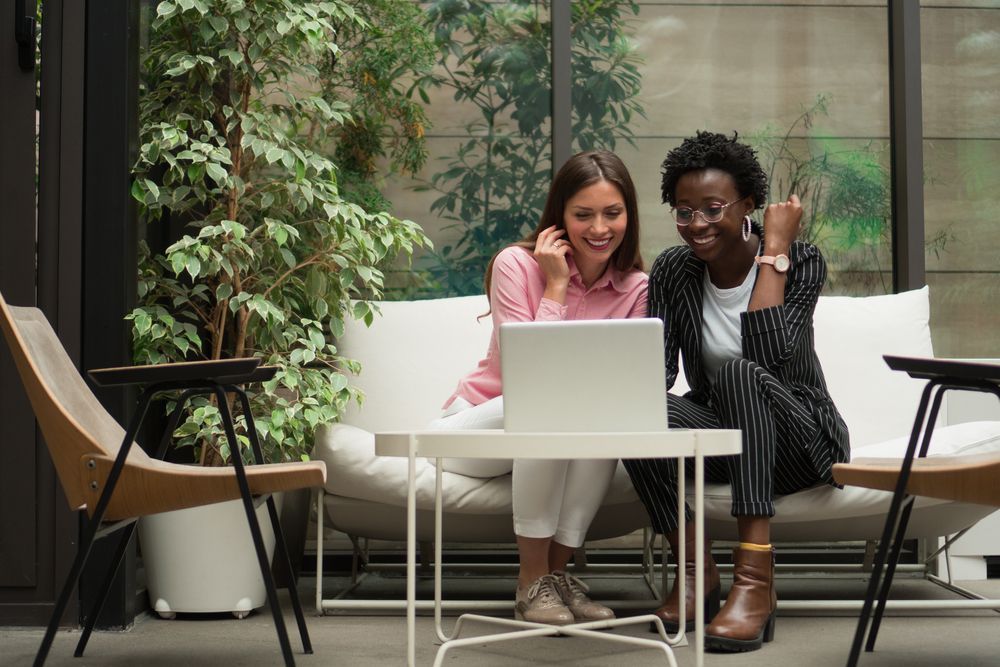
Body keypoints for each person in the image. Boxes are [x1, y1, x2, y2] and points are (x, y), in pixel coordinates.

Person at [623, 131, 849, 652]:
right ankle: (698, 574)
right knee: (636, 411)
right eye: (683, 211)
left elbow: (769, 358)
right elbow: (657, 373)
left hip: (802, 443)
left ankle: (754, 581)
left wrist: (775, 250)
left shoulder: (803, 261)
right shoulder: (675, 270)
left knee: (740, 373)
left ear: (748, 205)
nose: (697, 224)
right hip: (727, 442)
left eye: (713, 208)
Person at [429, 150, 648, 626]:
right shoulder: (515, 264)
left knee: (597, 420)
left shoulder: (636, 287)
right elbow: (525, 372)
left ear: (629, 215)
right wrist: (556, 286)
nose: (599, 228)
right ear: (559, 217)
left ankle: (552, 578)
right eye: (583, 214)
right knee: (547, 405)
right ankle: (531, 581)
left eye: (613, 213)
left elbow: (621, 383)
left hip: (557, 431)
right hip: (472, 432)